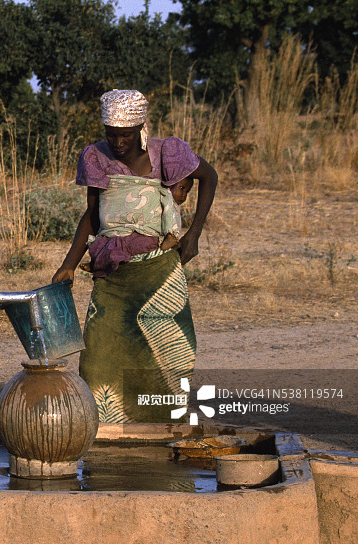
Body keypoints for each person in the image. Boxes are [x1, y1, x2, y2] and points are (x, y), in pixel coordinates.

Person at [53, 90, 218, 423]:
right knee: (100, 355)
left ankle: (160, 429)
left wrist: (194, 235)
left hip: (159, 271)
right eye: (110, 134)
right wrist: (69, 264)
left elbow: (209, 176)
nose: (117, 142)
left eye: (125, 135)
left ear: (141, 126)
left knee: (163, 354)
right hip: (112, 273)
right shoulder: (95, 157)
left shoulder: (166, 153)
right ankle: (105, 432)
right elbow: (92, 214)